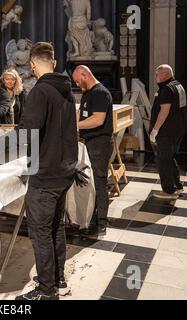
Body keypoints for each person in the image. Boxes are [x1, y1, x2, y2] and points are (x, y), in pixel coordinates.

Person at [0, 42, 78, 300]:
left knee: (41, 231)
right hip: (64, 170)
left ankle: (46, 291)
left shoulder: (40, 92)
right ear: (53, 63)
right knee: (55, 227)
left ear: (33, 65)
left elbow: (25, 133)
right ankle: (58, 280)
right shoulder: (67, 90)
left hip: (45, 174)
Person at [74, 65, 113, 235]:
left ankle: (101, 222)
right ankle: (90, 217)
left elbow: (97, 120)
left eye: (77, 80)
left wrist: (73, 126)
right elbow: (81, 113)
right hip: (89, 141)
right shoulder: (88, 93)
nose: (76, 83)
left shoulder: (100, 92)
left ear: (85, 74)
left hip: (100, 143)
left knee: (100, 182)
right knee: (91, 182)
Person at [149, 64, 187, 200]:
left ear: (165, 75)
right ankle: (177, 185)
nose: (155, 77)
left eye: (157, 74)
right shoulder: (178, 85)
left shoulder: (166, 89)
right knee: (170, 157)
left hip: (167, 131)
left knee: (164, 160)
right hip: (178, 129)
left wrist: (155, 130)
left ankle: (168, 190)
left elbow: (164, 111)